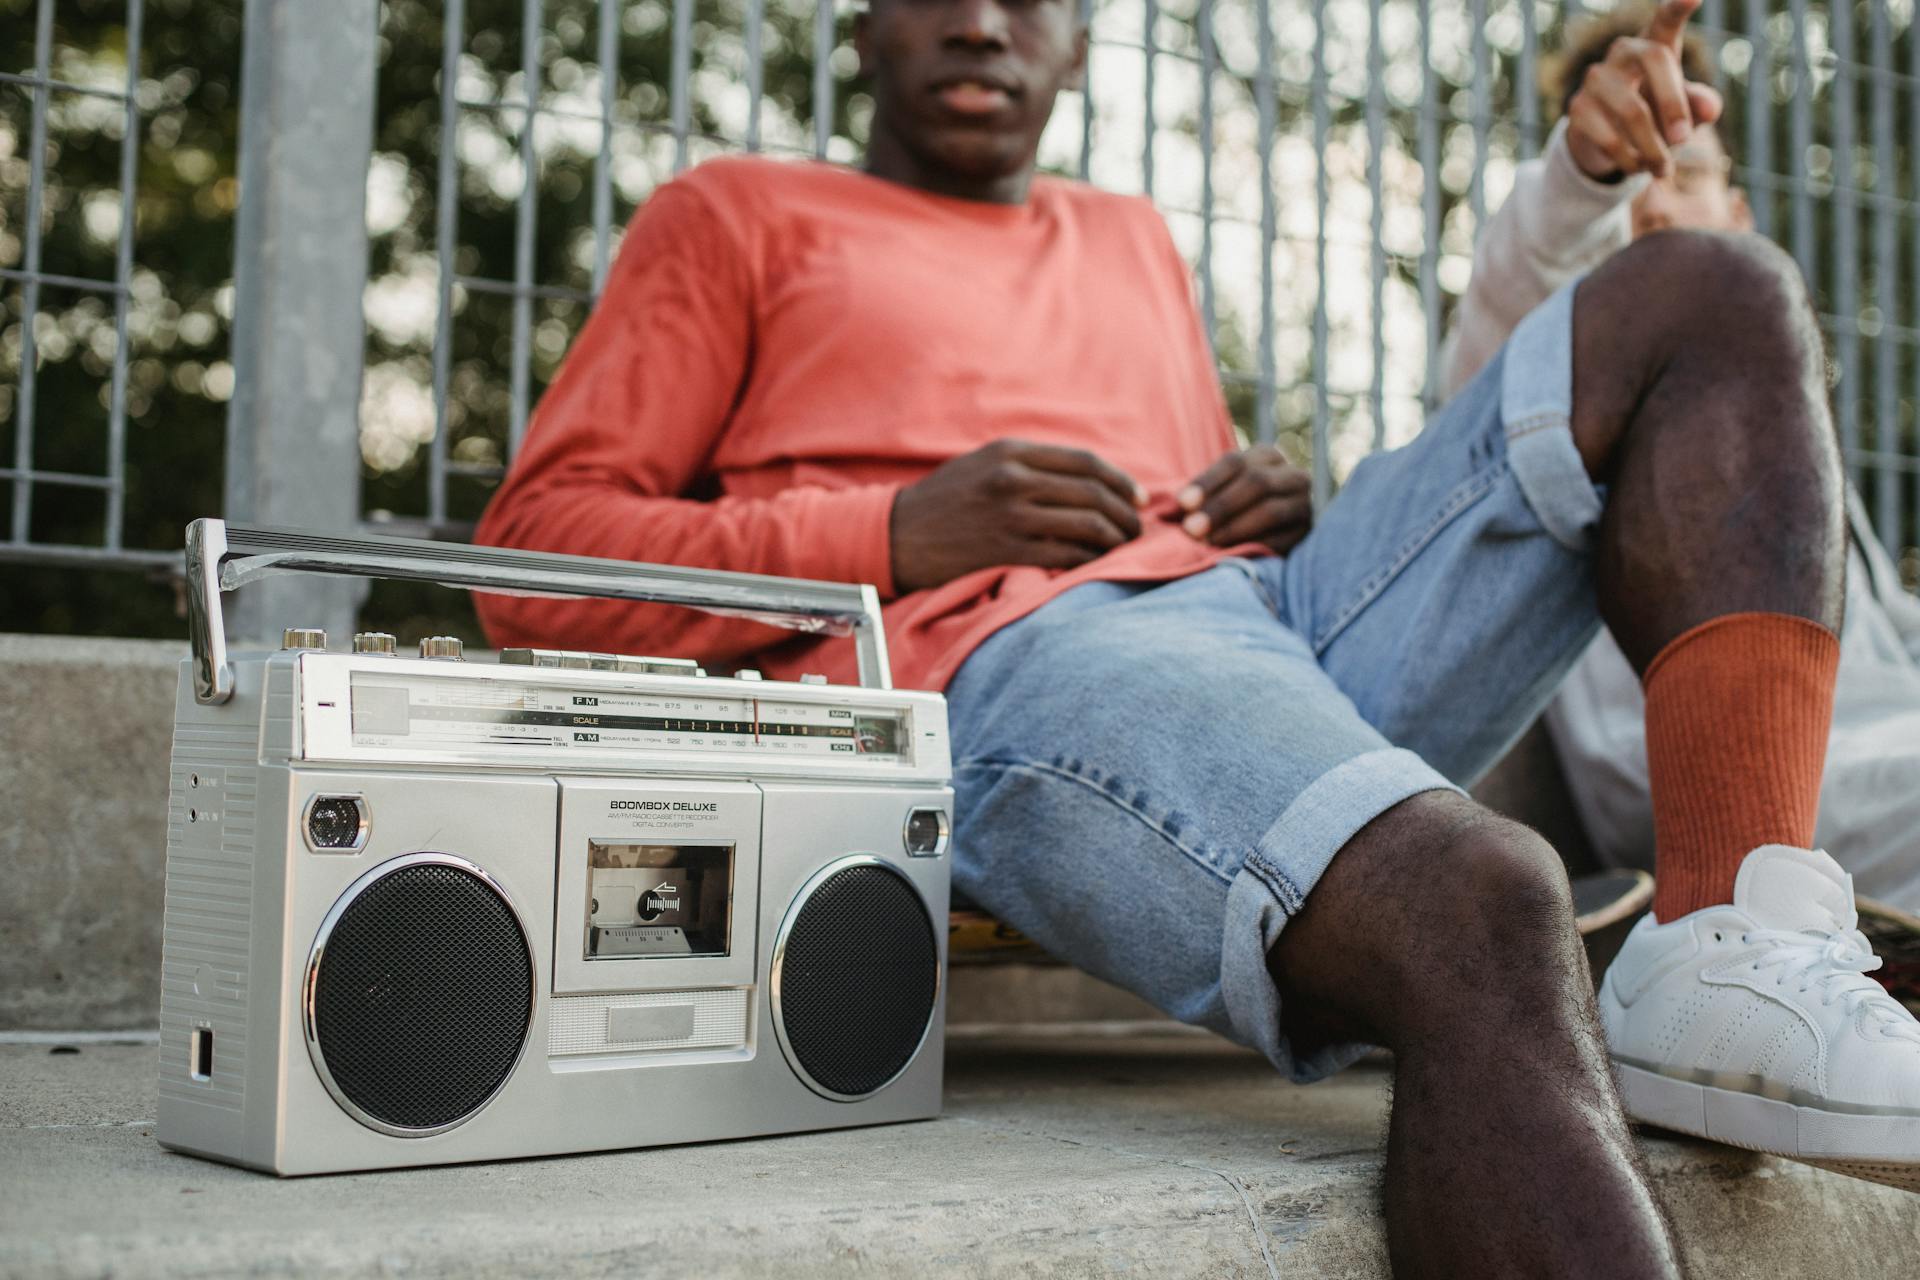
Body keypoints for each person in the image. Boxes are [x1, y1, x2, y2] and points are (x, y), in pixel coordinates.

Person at [475, 0, 1917, 1263]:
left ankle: (1729, 944)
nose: (981, 20)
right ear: (863, 29)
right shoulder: (732, 212)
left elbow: (1197, 571)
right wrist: (894, 529)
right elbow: (533, 555)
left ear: (1081, 45)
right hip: (999, 659)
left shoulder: (1129, 237)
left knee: (1715, 293)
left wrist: (1264, 504)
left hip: (1257, 613)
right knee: (1477, 903)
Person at [1443, 0, 1920, 968]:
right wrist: (1587, 173)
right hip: (1733, 770)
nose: (1655, 205)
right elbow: (1520, 268)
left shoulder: (1782, 427)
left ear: (1737, 211)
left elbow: (1882, 632)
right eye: (1632, 183)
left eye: (1687, 174)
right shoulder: (1546, 376)